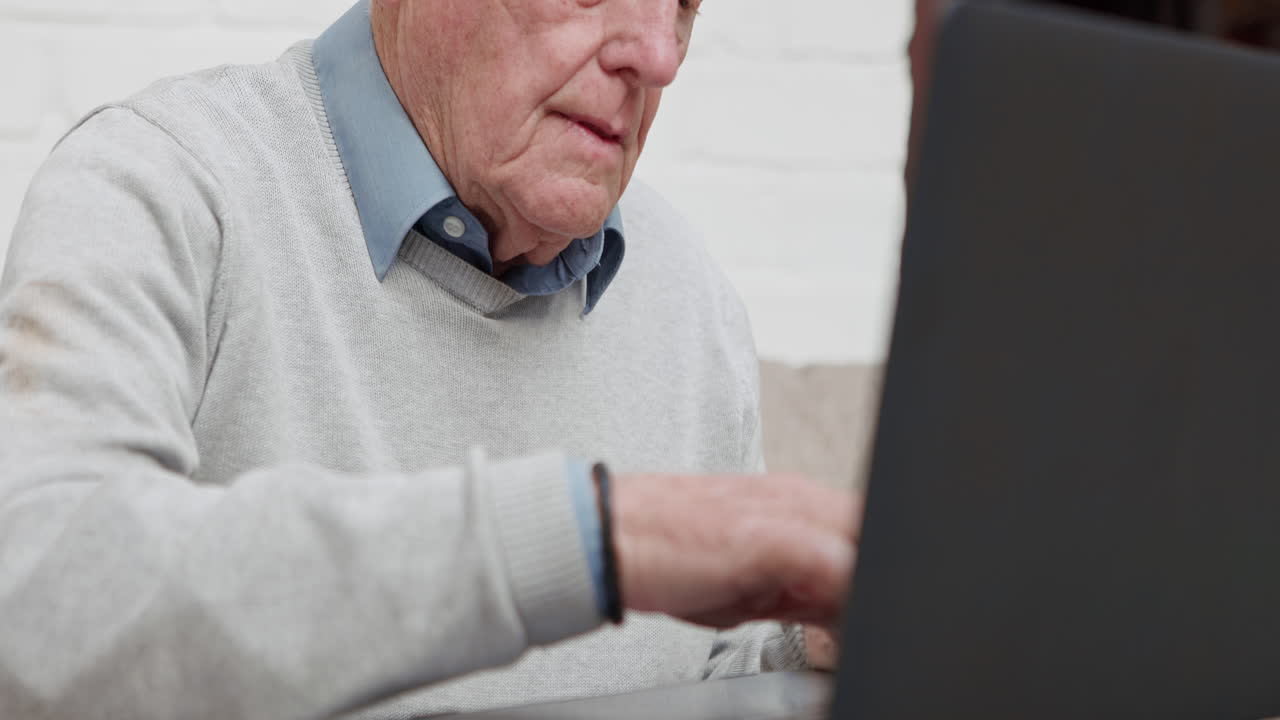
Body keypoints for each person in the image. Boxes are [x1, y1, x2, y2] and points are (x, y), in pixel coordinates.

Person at [0, 1, 859, 719]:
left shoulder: (690, 297)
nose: (659, 55)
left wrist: (819, 635)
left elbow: (705, 676)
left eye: (682, 3)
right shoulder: (164, 187)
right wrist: (601, 540)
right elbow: (38, 606)